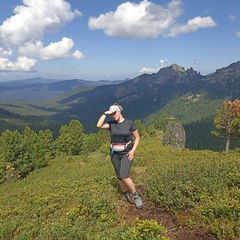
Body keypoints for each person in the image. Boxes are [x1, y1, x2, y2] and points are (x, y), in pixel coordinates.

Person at [96, 103, 143, 210]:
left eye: (114, 113)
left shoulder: (129, 123)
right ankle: (125, 194)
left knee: (124, 175)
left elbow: (137, 137)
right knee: (119, 176)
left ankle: (135, 196)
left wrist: (133, 151)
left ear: (119, 112)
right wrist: (105, 114)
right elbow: (98, 125)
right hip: (115, 154)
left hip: (127, 152)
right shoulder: (111, 124)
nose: (113, 116)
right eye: (111, 114)